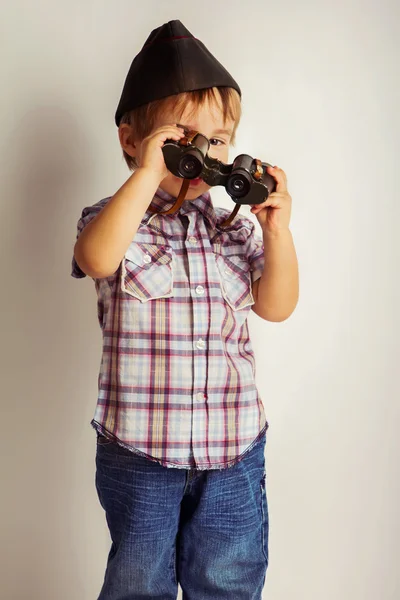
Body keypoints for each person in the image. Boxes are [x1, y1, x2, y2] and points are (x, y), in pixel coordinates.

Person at [71, 19, 299, 600]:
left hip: (233, 448)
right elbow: (97, 260)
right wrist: (151, 174)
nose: (204, 152)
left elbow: (276, 307)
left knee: (227, 579)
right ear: (131, 139)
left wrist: (277, 232)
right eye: (184, 136)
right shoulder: (113, 222)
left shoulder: (232, 228)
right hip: (141, 449)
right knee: (137, 583)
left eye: (218, 139)